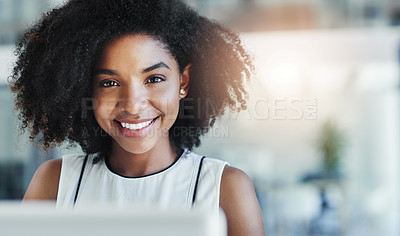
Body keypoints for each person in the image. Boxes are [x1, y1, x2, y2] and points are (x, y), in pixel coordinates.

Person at [10, 0, 265, 235]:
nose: (133, 105)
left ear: (183, 82)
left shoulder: (225, 188)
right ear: (83, 89)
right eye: (109, 83)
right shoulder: (55, 182)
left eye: (154, 79)